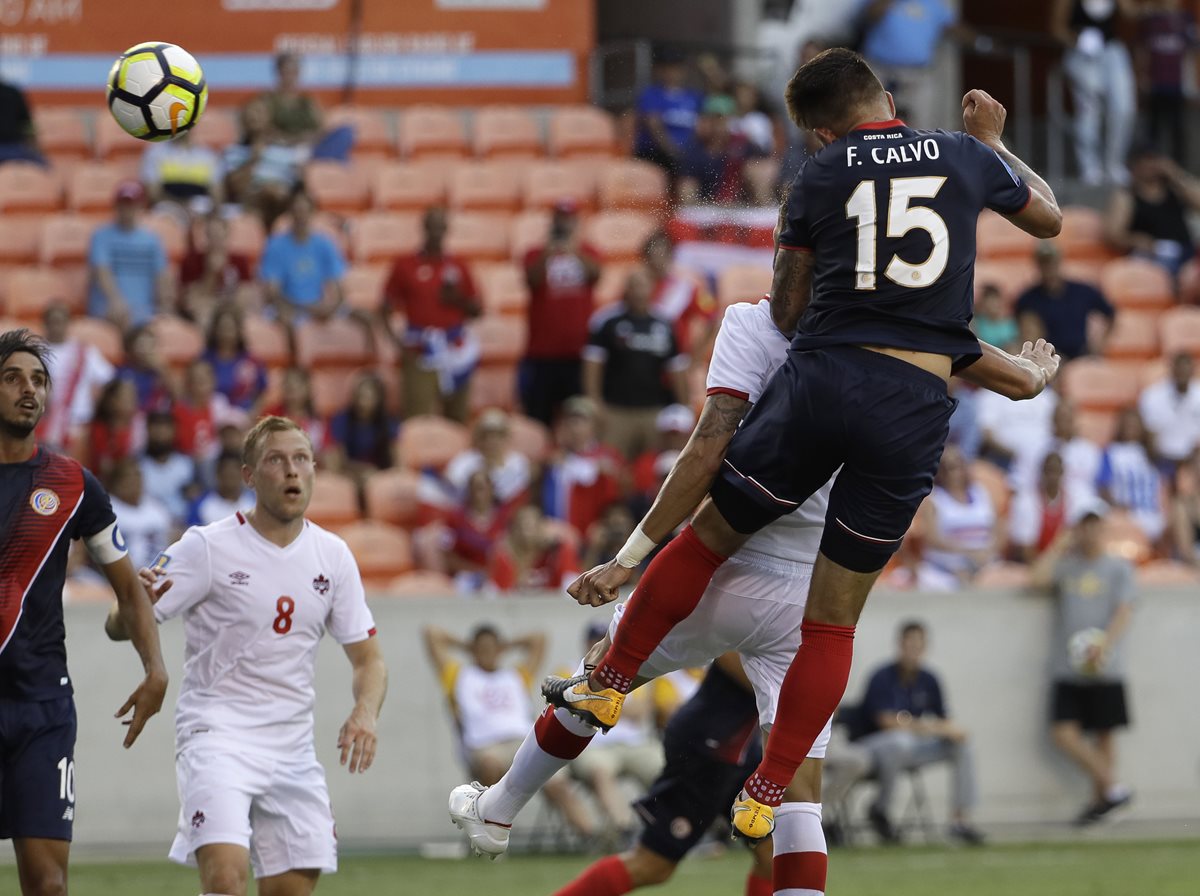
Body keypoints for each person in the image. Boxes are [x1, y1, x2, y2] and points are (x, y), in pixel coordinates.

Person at [545, 49, 1062, 843]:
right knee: (834, 620)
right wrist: (991, 141)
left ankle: (610, 680)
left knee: (712, 533)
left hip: (825, 380)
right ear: (886, 97)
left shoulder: (819, 177)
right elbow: (1049, 216)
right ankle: (769, 788)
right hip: (916, 402)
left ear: (821, 132)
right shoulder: (961, 156)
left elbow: (787, 310)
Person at [448, 284, 1056, 896]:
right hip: (813, 593)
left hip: (724, 561)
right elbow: (1007, 373)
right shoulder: (902, 330)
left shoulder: (752, 322)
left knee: (599, 674)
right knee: (802, 797)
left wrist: (631, 555)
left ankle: (500, 809)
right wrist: (1031, 371)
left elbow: (708, 446)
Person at [105, 415, 388, 896]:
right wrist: (134, 606)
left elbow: (369, 660)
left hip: (292, 745)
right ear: (250, 476)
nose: (292, 471)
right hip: (217, 734)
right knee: (225, 879)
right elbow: (119, 624)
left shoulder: (333, 556)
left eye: (301, 459)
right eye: (276, 460)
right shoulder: (206, 547)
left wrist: (365, 711)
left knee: (291, 889)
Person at [0, 328, 167, 896]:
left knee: (48, 887)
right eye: (14, 377)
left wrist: (155, 668)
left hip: (43, 707)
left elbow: (130, 589)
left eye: (40, 380)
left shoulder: (72, 484)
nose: (30, 390)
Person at [551, 655, 776, 896]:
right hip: (707, 747)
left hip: (741, 747)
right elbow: (731, 652)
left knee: (774, 855)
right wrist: (790, 686)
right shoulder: (765, 621)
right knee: (652, 864)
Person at [424, 625, 594, 837]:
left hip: (523, 742)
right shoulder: (458, 675)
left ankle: (592, 836)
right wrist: (469, 647)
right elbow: (432, 634)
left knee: (557, 781)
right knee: (490, 765)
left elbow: (538, 637)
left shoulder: (516, 676)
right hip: (484, 746)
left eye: (492, 648)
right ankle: (487, 834)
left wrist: (503, 646)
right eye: (482, 648)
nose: (488, 652)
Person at [1030, 498, 1135, 825]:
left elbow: (1125, 609)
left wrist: (1104, 644)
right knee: (1064, 733)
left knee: (1104, 734)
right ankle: (1114, 787)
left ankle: (1099, 802)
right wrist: (1060, 542)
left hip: (1104, 665)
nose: (1090, 532)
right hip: (1067, 665)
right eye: (1084, 525)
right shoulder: (1068, 565)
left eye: (1096, 525)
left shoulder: (1118, 567)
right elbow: (1037, 578)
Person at [850, 621, 984, 844]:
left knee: (963, 746)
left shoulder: (929, 679)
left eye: (918, 644)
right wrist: (926, 727)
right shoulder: (882, 676)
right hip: (872, 747)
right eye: (909, 643)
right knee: (899, 741)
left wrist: (952, 731)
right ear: (900, 644)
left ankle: (961, 821)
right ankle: (880, 810)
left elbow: (944, 721)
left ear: (925, 647)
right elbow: (886, 722)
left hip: (912, 747)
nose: (913, 649)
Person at [382, 206, 482, 423]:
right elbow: (384, 308)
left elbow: (477, 310)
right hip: (421, 349)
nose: (436, 232)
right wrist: (397, 343)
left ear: (447, 230)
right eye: (432, 226)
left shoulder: (459, 265)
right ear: (424, 228)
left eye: (441, 227)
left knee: (457, 417)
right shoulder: (405, 265)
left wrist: (456, 298)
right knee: (417, 416)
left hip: (454, 347)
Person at [583, 268, 689, 460]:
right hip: (615, 410)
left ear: (652, 289)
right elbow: (592, 364)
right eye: (634, 286)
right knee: (611, 464)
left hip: (654, 411)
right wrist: (595, 403)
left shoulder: (665, 323)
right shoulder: (607, 321)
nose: (639, 292)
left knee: (653, 468)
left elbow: (676, 369)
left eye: (643, 286)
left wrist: (684, 407)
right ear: (626, 290)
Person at [520, 199, 601, 425]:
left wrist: (573, 249)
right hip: (542, 352)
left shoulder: (587, 251)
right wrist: (549, 250)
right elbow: (532, 280)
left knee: (576, 416)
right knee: (538, 416)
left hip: (577, 351)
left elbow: (595, 275)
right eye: (560, 219)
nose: (564, 224)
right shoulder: (535, 253)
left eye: (568, 219)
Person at [1052, 0, 1137, 185]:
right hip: (1081, 53)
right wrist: (1078, 41)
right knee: (1088, 111)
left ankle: (1114, 163)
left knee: (1124, 108)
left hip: (1111, 51)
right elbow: (1057, 28)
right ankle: (1089, 167)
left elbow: (1131, 13)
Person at [855, 0, 964, 129]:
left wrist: (981, 42)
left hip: (918, 76)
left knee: (923, 128)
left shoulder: (933, 3)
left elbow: (951, 27)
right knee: (875, 124)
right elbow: (867, 17)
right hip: (880, 73)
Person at [86, 180, 174, 329]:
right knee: (123, 318)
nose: (127, 209)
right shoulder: (101, 236)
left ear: (140, 206)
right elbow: (101, 271)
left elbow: (162, 275)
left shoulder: (152, 240)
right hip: (110, 309)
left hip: (145, 309)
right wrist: (116, 301)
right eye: (123, 204)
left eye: (131, 205)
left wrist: (165, 305)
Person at [913, 446, 1003, 590]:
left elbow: (997, 528)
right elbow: (932, 539)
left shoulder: (981, 493)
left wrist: (989, 551)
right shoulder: (935, 499)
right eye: (950, 467)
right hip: (947, 564)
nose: (956, 472)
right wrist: (968, 552)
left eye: (959, 465)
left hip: (983, 560)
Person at [1104, 145, 1200, 276]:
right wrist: (1135, 240)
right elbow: (1114, 235)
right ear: (1133, 165)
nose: (1150, 166)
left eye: (1154, 160)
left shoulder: (1175, 188)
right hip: (1151, 256)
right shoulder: (1127, 195)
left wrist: (1176, 174)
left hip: (1185, 252)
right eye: (1145, 161)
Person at [1016, 241, 1115, 361]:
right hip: (1049, 356)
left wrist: (1099, 344)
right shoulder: (1027, 299)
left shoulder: (1082, 291)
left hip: (1081, 354)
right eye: (1044, 263)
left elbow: (1110, 312)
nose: (1048, 268)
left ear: (1059, 262)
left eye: (1051, 262)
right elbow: (1027, 332)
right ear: (1037, 266)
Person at [260, 188, 346, 325]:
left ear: (312, 213)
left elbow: (338, 287)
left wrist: (329, 308)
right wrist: (303, 307)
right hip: (291, 307)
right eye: (297, 211)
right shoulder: (275, 246)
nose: (301, 216)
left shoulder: (325, 244)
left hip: (319, 306)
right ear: (290, 213)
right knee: (284, 318)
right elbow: (272, 291)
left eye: (304, 211)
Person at [541, 396, 623, 537]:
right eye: (570, 422)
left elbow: (621, 494)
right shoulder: (553, 456)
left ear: (593, 426)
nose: (575, 427)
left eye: (581, 421)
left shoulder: (607, 456)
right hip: (558, 533)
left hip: (595, 533)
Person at [37, 303, 115, 453]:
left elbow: (108, 380)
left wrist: (95, 405)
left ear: (68, 323)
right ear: (45, 323)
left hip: (79, 424)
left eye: (60, 321)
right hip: (45, 424)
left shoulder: (85, 352)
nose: (56, 326)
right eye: (52, 321)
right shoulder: (35, 352)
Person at [1136, 0, 1198, 164]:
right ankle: (1150, 168)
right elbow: (1142, 50)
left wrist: (1191, 83)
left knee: (1178, 128)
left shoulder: (1185, 19)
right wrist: (1142, 77)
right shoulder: (1150, 20)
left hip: (1177, 83)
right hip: (1156, 82)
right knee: (1153, 129)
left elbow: (1190, 53)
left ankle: (1179, 167)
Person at [643, 230, 719, 360]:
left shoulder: (686, 288)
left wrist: (695, 359)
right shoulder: (636, 287)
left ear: (671, 255)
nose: (658, 259)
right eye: (654, 255)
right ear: (646, 258)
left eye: (662, 254)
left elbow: (712, 318)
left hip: (674, 363)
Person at [1096, 406, 1166, 542]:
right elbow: (1103, 488)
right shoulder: (1111, 453)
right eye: (1127, 425)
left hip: (1153, 515)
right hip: (1124, 514)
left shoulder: (1151, 455)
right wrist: (1116, 506)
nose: (1130, 429)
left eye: (1134, 425)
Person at [443, 408, 531, 512]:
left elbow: (520, 497)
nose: (492, 441)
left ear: (507, 438)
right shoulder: (463, 462)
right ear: (478, 437)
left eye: (498, 436)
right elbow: (454, 494)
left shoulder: (519, 463)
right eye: (487, 436)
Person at [633, 51, 704, 176]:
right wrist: (673, 151)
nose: (672, 72)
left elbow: (701, 127)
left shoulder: (693, 97)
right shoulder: (652, 94)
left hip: (686, 155)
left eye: (676, 68)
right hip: (657, 154)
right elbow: (654, 127)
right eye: (667, 68)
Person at [180, 217, 254, 328]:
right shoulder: (192, 260)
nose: (215, 241)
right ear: (206, 237)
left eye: (219, 236)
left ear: (227, 236)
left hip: (231, 308)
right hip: (205, 308)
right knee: (204, 317)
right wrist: (211, 273)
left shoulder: (240, 260)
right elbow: (191, 301)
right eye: (211, 236)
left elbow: (244, 296)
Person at [487, 505, 581, 593]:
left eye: (531, 526)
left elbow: (572, 585)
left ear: (541, 527)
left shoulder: (554, 554)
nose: (526, 533)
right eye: (521, 527)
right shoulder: (504, 557)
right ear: (514, 530)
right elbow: (496, 594)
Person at [106, 457, 173, 571]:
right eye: (128, 477)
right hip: (121, 577)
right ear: (115, 483)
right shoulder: (106, 509)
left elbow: (170, 544)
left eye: (138, 475)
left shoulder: (156, 507)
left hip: (159, 571)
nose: (134, 481)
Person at [1138, 352, 1200, 472]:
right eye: (1179, 369)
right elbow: (1149, 434)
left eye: (1186, 369)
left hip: (1193, 459)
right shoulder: (1152, 396)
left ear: (1193, 371)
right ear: (1171, 370)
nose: (1182, 373)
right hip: (1161, 457)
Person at [201, 305, 267, 415]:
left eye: (230, 328)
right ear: (215, 330)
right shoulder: (204, 359)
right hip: (212, 418)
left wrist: (252, 415)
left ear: (239, 330)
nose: (226, 333)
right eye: (222, 328)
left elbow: (262, 392)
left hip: (243, 419)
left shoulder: (252, 361)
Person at [1009, 452, 1073, 562]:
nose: (1052, 476)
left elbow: (1070, 540)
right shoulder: (1027, 501)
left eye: (1056, 471)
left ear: (1062, 473)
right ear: (1042, 472)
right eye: (1049, 471)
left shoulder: (1071, 501)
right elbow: (1025, 548)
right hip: (1030, 562)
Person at [139, 409, 197, 528]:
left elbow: (195, 498)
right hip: (149, 525)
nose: (160, 432)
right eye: (156, 426)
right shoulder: (137, 465)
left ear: (174, 431)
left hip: (183, 525)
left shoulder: (186, 464)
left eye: (165, 427)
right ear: (147, 430)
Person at [87, 378, 145, 482]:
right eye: (126, 398)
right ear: (111, 401)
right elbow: (103, 466)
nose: (132, 402)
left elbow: (137, 460)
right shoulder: (98, 429)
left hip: (128, 481)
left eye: (133, 397)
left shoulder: (138, 425)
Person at [188, 450, 255, 528]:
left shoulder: (254, 503)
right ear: (218, 473)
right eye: (226, 473)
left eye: (233, 474)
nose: (230, 477)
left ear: (243, 475)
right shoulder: (201, 506)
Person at [0, 78, 44, 165]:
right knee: (45, 168)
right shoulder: (13, 92)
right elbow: (27, 123)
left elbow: (27, 123)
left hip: (14, 147)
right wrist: (34, 145)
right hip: (15, 149)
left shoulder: (13, 92)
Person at [971, 282, 1019, 352]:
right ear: (983, 303)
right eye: (990, 301)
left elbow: (1015, 343)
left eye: (996, 300)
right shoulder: (977, 323)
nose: (994, 305)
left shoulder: (1010, 322)